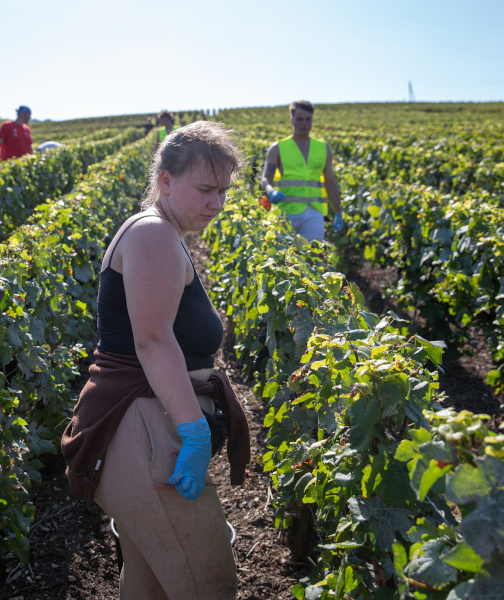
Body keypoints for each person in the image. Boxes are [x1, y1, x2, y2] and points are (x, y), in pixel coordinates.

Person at [62, 121, 250, 600]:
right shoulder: (153, 235)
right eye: (206, 189)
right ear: (165, 180)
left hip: (146, 426)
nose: (217, 203)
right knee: (208, 583)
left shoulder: (162, 233)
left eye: (224, 191)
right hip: (144, 432)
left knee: (151, 585)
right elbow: (152, 342)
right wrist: (193, 431)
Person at [260, 100, 344, 242]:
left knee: (313, 258)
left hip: (314, 212)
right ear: (292, 120)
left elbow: (330, 182)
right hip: (285, 212)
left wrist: (338, 213)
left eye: (308, 119)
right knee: (284, 259)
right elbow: (265, 179)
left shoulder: (323, 148)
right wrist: (270, 191)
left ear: (312, 120)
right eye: (299, 119)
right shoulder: (278, 148)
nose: (304, 123)